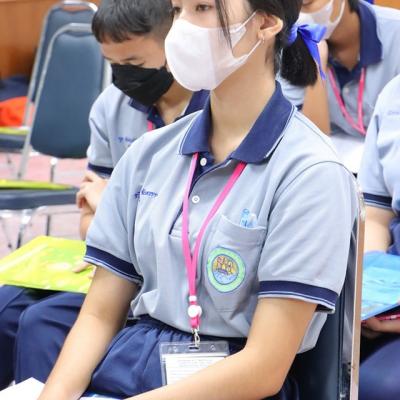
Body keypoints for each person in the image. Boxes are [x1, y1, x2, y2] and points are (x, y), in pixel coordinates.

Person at [39, 0, 357, 399]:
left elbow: (264, 367)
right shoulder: (149, 153)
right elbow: (100, 315)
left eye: (203, 7)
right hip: (131, 363)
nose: (181, 28)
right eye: (177, 10)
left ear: (265, 23)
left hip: (234, 384)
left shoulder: (311, 172)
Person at [0, 0, 208, 387]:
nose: (123, 75)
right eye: (112, 63)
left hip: (178, 283)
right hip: (114, 270)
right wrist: (115, 214)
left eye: (134, 61)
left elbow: (187, 230)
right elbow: (89, 224)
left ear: (175, 42)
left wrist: (113, 203)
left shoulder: (215, 108)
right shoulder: (111, 107)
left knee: (40, 323)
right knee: (6, 307)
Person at [283, 0, 400, 171]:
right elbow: (311, 144)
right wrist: (316, 63)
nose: (300, 14)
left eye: (308, 2)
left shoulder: (395, 33)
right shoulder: (292, 46)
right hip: (345, 169)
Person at [358, 74, 400, 400]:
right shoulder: (393, 95)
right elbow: (376, 214)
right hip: (394, 270)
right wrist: (373, 295)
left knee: (377, 387)